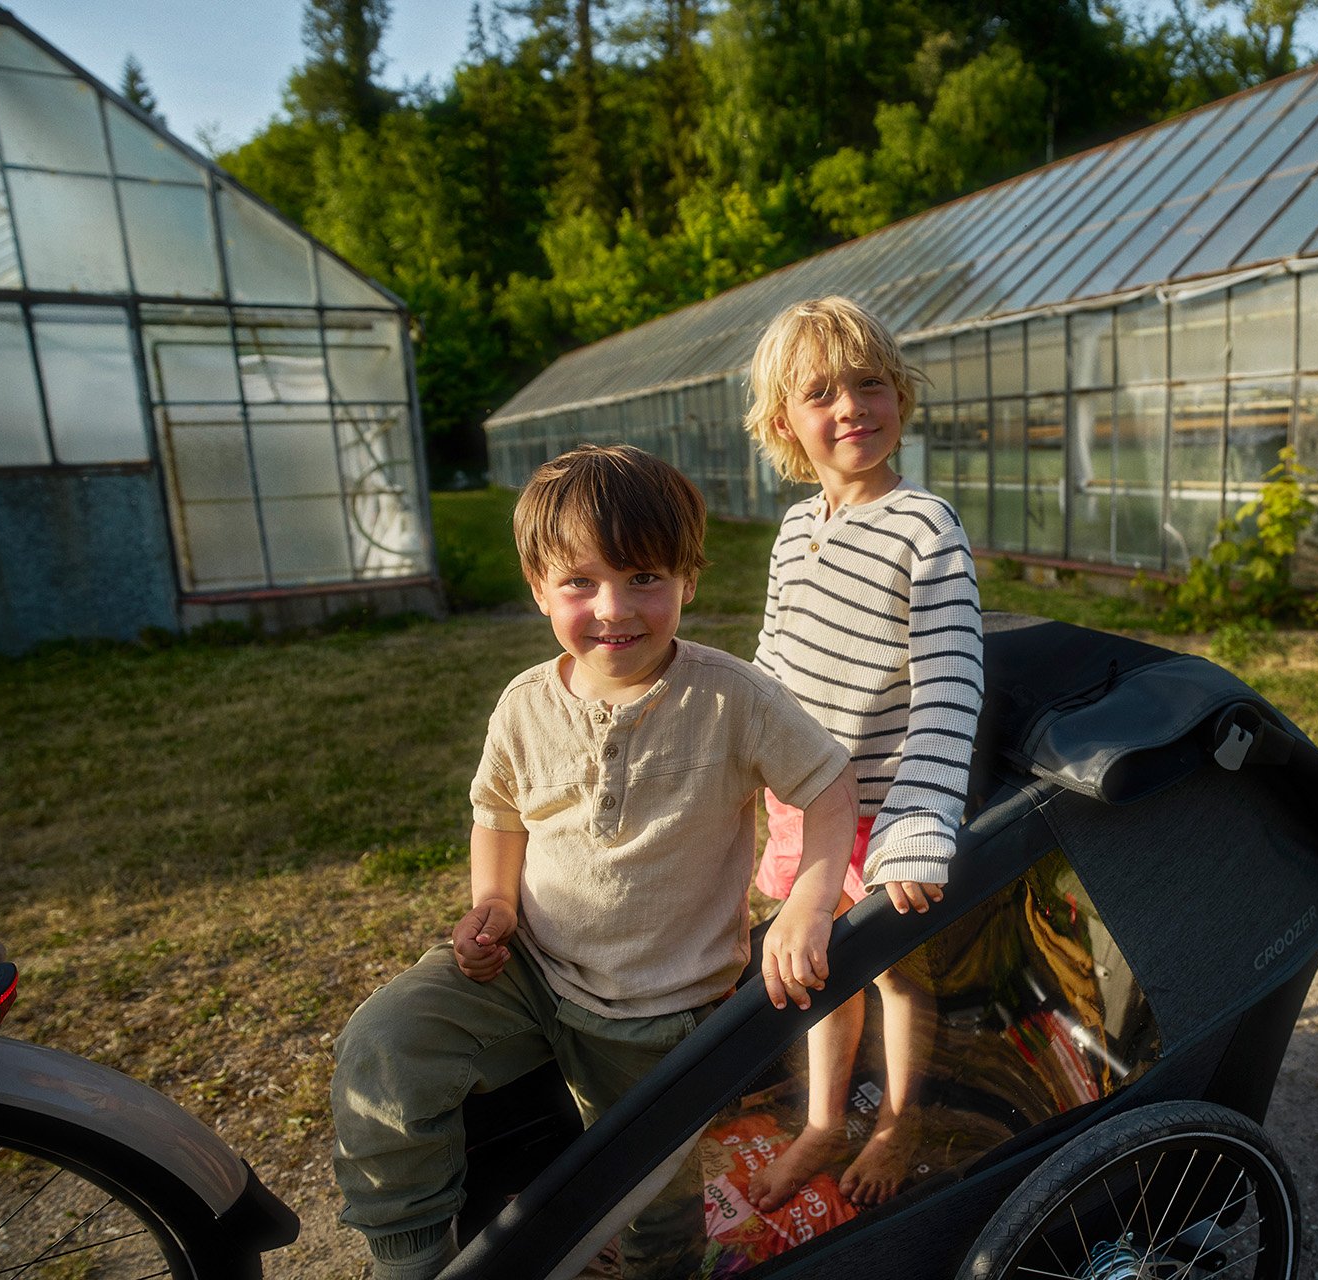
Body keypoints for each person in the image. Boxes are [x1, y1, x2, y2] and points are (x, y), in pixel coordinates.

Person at [330, 445, 859, 1280]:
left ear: (689, 580)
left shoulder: (733, 699)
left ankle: (664, 1263)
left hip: (658, 1013)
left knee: (649, 1200)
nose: (614, 609)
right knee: (386, 1046)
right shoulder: (525, 705)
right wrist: (494, 904)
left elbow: (831, 787)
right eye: (580, 582)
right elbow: (498, 811)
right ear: (538, 589)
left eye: (645, 576)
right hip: (528, 969)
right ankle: (414, 1258)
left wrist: (807, 903)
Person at [741, 296, 984, 1210]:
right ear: (783, 425)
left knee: (893, 973)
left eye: (869, 384)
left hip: (881, 808)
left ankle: (899, 1121)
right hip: (803, 803)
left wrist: (918, 828)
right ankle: (822, 1122)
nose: (851, 407)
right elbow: (771, 665)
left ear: (900, 397)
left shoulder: (926, 527)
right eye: (821, 394)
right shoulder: (797, 531)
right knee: (822, 975)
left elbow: (952, 683)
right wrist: (740, 758)